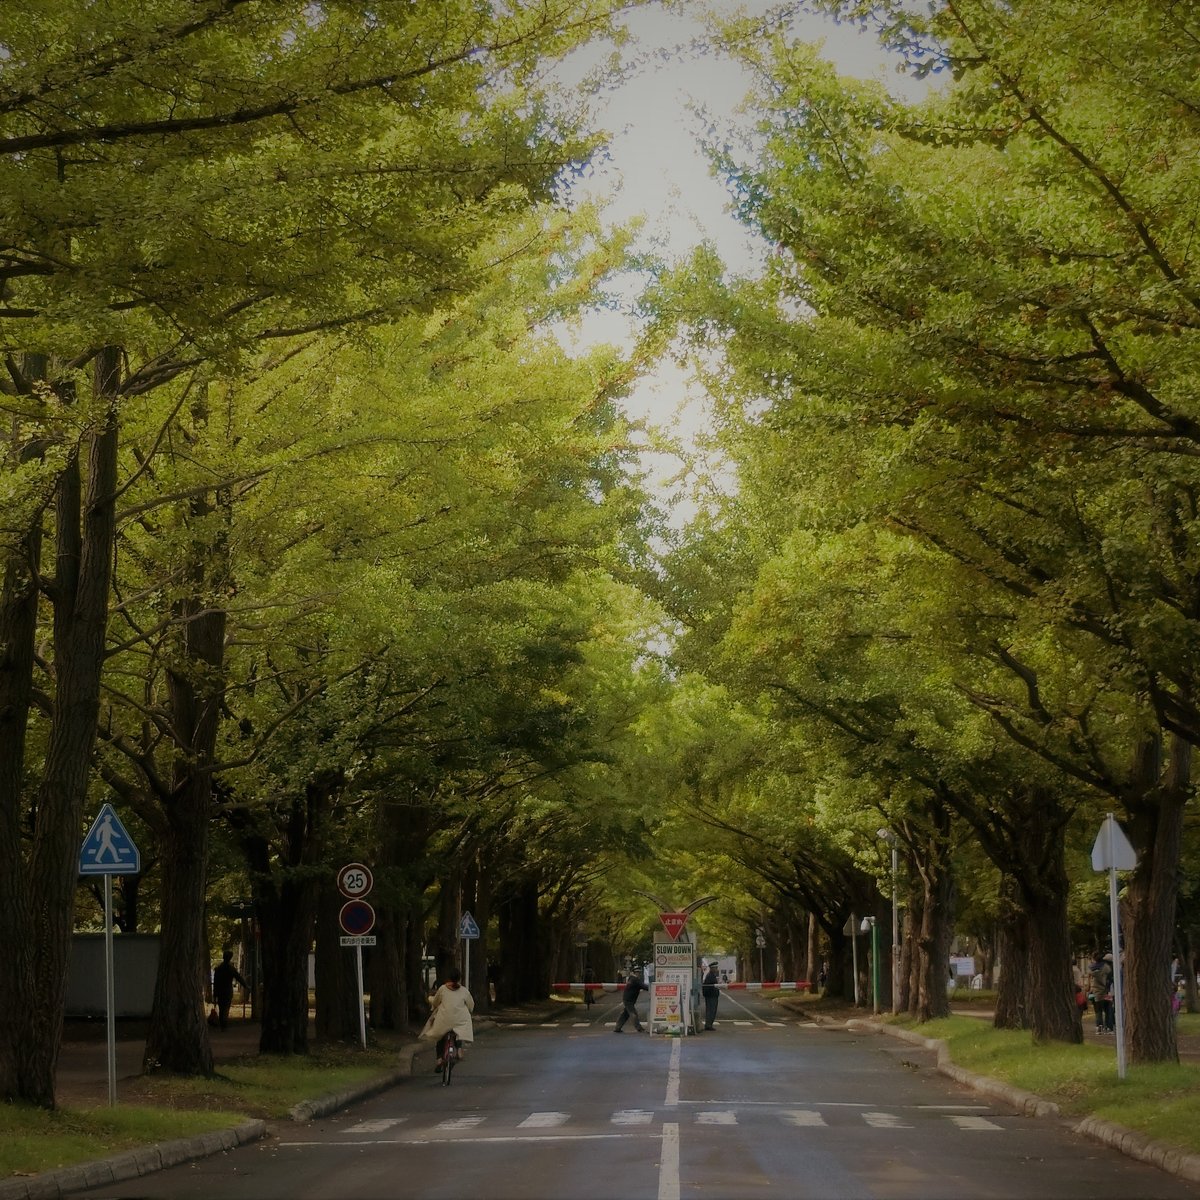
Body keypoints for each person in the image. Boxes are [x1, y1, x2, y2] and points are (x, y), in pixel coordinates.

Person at [423, 967, 474, 1069]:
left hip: (444, 1019)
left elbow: (436, 1001)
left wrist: (433, 1006)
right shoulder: (464, 991)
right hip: (460, 1019)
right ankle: (459, 1049)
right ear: (459, 978)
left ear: (448, 978)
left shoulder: (442, 989)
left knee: (440, 1036)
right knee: (458, 1031)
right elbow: (471, 1005)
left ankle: (439, 1060)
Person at [211, 949, 248, 1032]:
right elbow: (238, 977)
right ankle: (224, 1024)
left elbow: (216, 982)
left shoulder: (218, 968)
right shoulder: (231, 968)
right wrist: (245, 985)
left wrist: (215, 993)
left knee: (221, 1008)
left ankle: (222, 1024)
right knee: (226, 1008)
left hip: (220, 991)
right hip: (227, 991)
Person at [1089, 951, 1115, 1034]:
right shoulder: (1107, 967)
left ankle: (1099, 1028)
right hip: (1107, 992)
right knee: (1108, 1010)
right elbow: (1110, 977)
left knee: (1098, 1011)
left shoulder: (1091, 968)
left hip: (1096, 993)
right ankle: (1109, 1028)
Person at [702, 960, 720, 1030]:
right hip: (711, 996)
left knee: (712, 1010)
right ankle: (708, 1025)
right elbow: (708, 987)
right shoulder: (710, 976)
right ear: (712, 968)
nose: (716, 969)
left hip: (713, 996)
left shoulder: (712, 975)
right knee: (711, 1010)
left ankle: (709, 1024)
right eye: (715, 968)